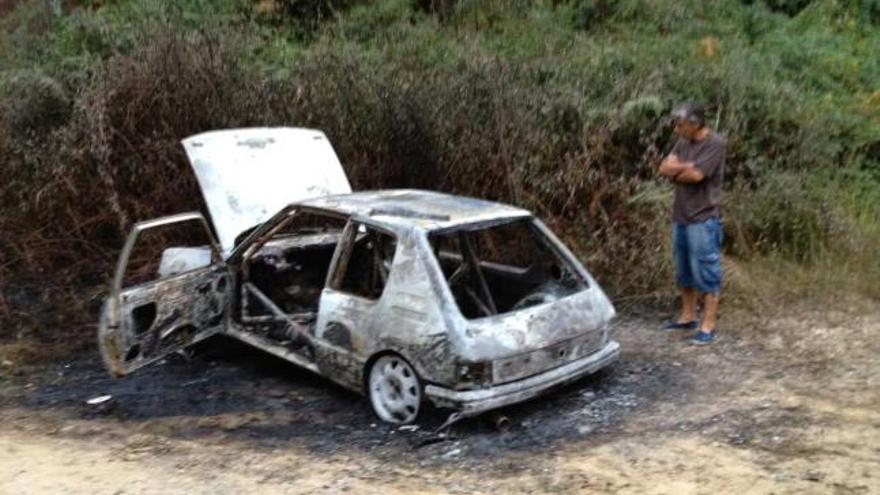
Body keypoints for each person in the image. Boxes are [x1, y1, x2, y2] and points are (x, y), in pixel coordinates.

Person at [657, 102, 727, 344]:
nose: (677, 129)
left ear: (695, 124)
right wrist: (685, 167)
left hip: (704, 218)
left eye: (680, 125)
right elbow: (664, 168)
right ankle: (687, 316)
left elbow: (697, 176)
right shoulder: (683, 142)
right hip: (681, 216)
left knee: (707, 271)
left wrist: (683, 170)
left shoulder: (715, 144)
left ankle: (708, 325)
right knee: (684, 270)